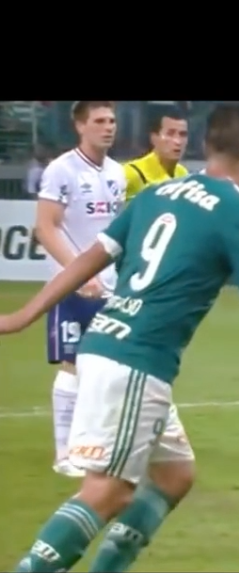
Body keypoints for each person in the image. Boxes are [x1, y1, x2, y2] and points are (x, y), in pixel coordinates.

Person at [2, 104, 239, 573]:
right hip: (137, 361)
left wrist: (24, 315)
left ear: (205, 145)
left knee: (174, 474)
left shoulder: (158, 193)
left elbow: (90, 258)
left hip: (104, 342)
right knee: (108, 492)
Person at [33, 101, 126, 478]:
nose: (108, 127)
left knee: (106, 367)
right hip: (70, 285)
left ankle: (95, 444)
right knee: (72, 364)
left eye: (112, 120)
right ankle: (64, 453)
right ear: (80, 125)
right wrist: (78, 272)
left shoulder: (117, 172)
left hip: (110, 286)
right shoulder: (61, 170)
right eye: (99, 121)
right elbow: (46, 227)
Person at [124, 107, 189, 200]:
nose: (178, 141)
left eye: (183, 134)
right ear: (154, 138)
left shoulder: (183, 174)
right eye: (170, 134)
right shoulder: (131, 173)